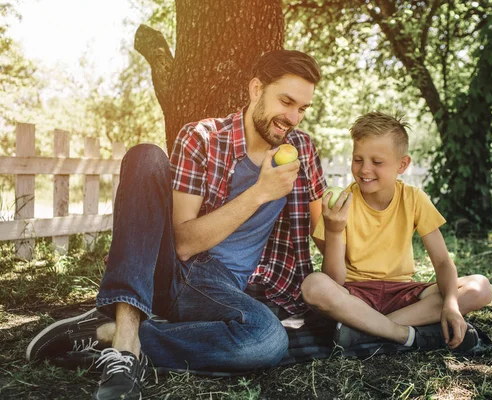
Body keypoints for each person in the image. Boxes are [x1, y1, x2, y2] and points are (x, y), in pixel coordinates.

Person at [26, 50, 326, 400]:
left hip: (224, 290)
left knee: (266, 339)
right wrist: (260, 193)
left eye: (302, 109)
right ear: (256, 89)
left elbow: (322, 232)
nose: (292, 117)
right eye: (286, 101)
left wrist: (342, 238)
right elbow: (183, 244)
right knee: (146, 157)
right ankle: (124, 347)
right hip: (176, 273)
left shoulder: (301, 149)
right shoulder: (203, 137)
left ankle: (104, 332)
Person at [302, 111, 492, 352]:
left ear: (402, 164)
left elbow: (443, 261)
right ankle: (404, 334)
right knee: (314, 285)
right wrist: (334, 230)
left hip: (403, 294)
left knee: (480, 287)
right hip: (356, 294)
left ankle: (365, 328)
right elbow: (335, 280)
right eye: (357, 159)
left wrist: (451, 306)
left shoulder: (414, 199)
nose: (364, 169)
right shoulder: (342, 204)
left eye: (377, 162)